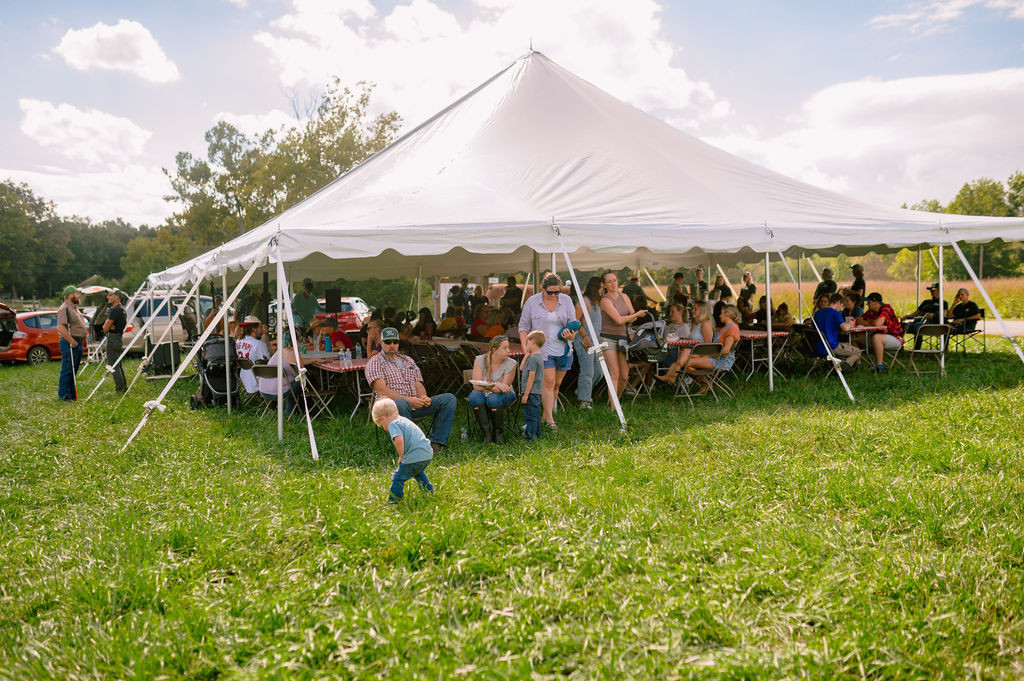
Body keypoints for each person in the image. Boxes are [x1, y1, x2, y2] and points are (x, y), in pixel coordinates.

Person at [364, 326, 456, 452]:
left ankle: (436, 443)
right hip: (390, 409)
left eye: (395, 342)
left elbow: (418, 384)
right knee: (401, 403)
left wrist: (423, 397)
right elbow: (382, 390)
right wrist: (409, 400)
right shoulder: (375, 362)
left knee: (449, 399)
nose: (392, 345)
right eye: (388, 342)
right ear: (381, 342)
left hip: (414, 405)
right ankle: (410, 446)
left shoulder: (408, 360)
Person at [518, 273, 578, 430]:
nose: (553, 295)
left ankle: (545, 416)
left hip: (564, 350)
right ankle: (551, 421)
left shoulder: (566, 300)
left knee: (556, 385)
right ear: (542, 289)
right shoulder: (532, 302)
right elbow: (523, 327)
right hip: (542, 350)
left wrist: (572, 335)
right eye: (550, 292)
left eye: (557, 292)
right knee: (548, 382)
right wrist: (526, 348)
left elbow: (573, 323)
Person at [657, 304, 741, 395]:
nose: (719, 315)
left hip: (721, 361)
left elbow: (726, 350)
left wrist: (707, 355)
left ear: (727, 314)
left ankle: (674, 377)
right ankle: (703, 383)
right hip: (715, 357)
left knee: (685, 361)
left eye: (721, 313)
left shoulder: (732, 328)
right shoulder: (725, 328)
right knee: (685, 357)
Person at [372, 397, 434, 503]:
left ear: (383, 419)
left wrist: (401, 456)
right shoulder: (404, 420)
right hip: (427, 454)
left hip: (414, 456)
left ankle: (394, 500)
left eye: (381, 425)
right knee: (418, 472)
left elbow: (398, 439)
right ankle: (428, 492)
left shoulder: (393, 424)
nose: (383, 428)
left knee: (398, 478)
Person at [598, 271, 647, 406]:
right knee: (615, 374)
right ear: (604, 285)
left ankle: (616, 402)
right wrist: (634, 315)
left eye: (614, 280)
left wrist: (632, 316)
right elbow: (619, 320)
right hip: (607, 338)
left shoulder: (624, 296)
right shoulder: (605, 300)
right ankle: (614, 409)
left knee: (624, 377)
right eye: (609, 282)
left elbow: (633, 317)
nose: (613, 284)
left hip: (622, 337)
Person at [468, 335, 518, 444]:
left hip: (505, 395)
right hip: (483, 393)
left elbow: (503, 389)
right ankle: (487, 434)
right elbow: (476, 387)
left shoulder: (512, 364)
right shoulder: (479, 360)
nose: (509, 351)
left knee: (493, 399)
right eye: (505, 348)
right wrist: (496, 383)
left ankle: (498, 433)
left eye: (508, 347)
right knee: (475, 396)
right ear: (494, 350)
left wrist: (487, 385)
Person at [573, 276, 603, 409]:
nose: (602, 291)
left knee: (599, 371)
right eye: (601, 288)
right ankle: (584, 401)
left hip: (596, 342)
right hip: (584, 341)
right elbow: (575, 321)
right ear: (594, 288)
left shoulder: (597, 303)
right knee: (587, 371)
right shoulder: (584, 301)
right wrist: (585, 336)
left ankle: (581, 390)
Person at [811, 293, 862, 372]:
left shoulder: (818, 313)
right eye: (841, 306)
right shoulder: (835, 313)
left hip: (817, 346)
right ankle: (843, 367)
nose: (841, 309)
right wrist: (850, 323)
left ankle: (836, 365)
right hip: (831, 346)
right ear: (838, 303)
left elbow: (813, 326)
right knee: (857, 351)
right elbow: (845, 328)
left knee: (845, 345)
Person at [56, 285, 88, 401]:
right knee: (68, 369)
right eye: (77, 293)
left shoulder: (74, 308)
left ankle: (71, 395)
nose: (79, 296)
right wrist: (72, 342)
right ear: (70, 295)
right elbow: (61, 327)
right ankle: (64, 395)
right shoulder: (64, 308)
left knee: (73, 370)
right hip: (69, 343)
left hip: (77, 342)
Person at [859, 292, 903, 373]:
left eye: (869, 302)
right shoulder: (871, 311)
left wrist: (869, 321)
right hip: (880, 337)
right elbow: (858, 320)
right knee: (855, 338)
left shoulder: (886, 308)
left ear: (876, 303)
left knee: (876, 337)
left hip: (895, 338)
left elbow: (877, 323)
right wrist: (871, 322)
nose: (867, 304)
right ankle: (857, 364)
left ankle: (879, 367)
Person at [258, 337, 302, 416]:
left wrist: (313, 360)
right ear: (296, 342)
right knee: (299, 382)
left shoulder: (278, 352)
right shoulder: (294, 354)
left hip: (263, 391)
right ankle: (291, 412)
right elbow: (302, 370)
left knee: (286, 382)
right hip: (278, 392)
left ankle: (276, 408)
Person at [902, 282, 949, 348]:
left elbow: (943, 315)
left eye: (933, 290)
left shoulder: (943, 303)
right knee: (903, 326)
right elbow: (915, 314)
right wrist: (907, 316)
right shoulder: (926, 302)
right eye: (930, 290)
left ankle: (916, 349)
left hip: (933, 324)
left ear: (939, 291)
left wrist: (933, 315)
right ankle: (899, 347)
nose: (931, 292)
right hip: (920, 321)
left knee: (919, 326)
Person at [519, 330, 545, 441]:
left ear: (533, 342)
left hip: (531, 391)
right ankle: (537, 435)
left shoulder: (534, 359)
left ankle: (529, 438)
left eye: (527, 343)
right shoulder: (536, 357)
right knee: (535, 415)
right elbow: (521, 368)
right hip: (535, 391)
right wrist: (526, 356)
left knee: (530, 416)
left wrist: (526, 394)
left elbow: (531, 377)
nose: (526, 345)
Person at [101, 289, 128, 393]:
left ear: (117, 297)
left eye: (111, 295)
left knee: (113, 365)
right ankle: (123, 386)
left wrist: (109, 325)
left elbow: (105, 328)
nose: (108, 297)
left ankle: (119, 389)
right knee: (118, 364)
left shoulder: (115, 310)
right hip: (119, 338)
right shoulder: (122, 309)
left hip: (113, 338)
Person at [235, 315, 270, 395]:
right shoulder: (258, 344)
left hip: (244, 379)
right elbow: (268, 364)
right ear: (254, 329)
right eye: (260, 327)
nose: (262, 330)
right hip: (257, 381)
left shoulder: (238, 341)